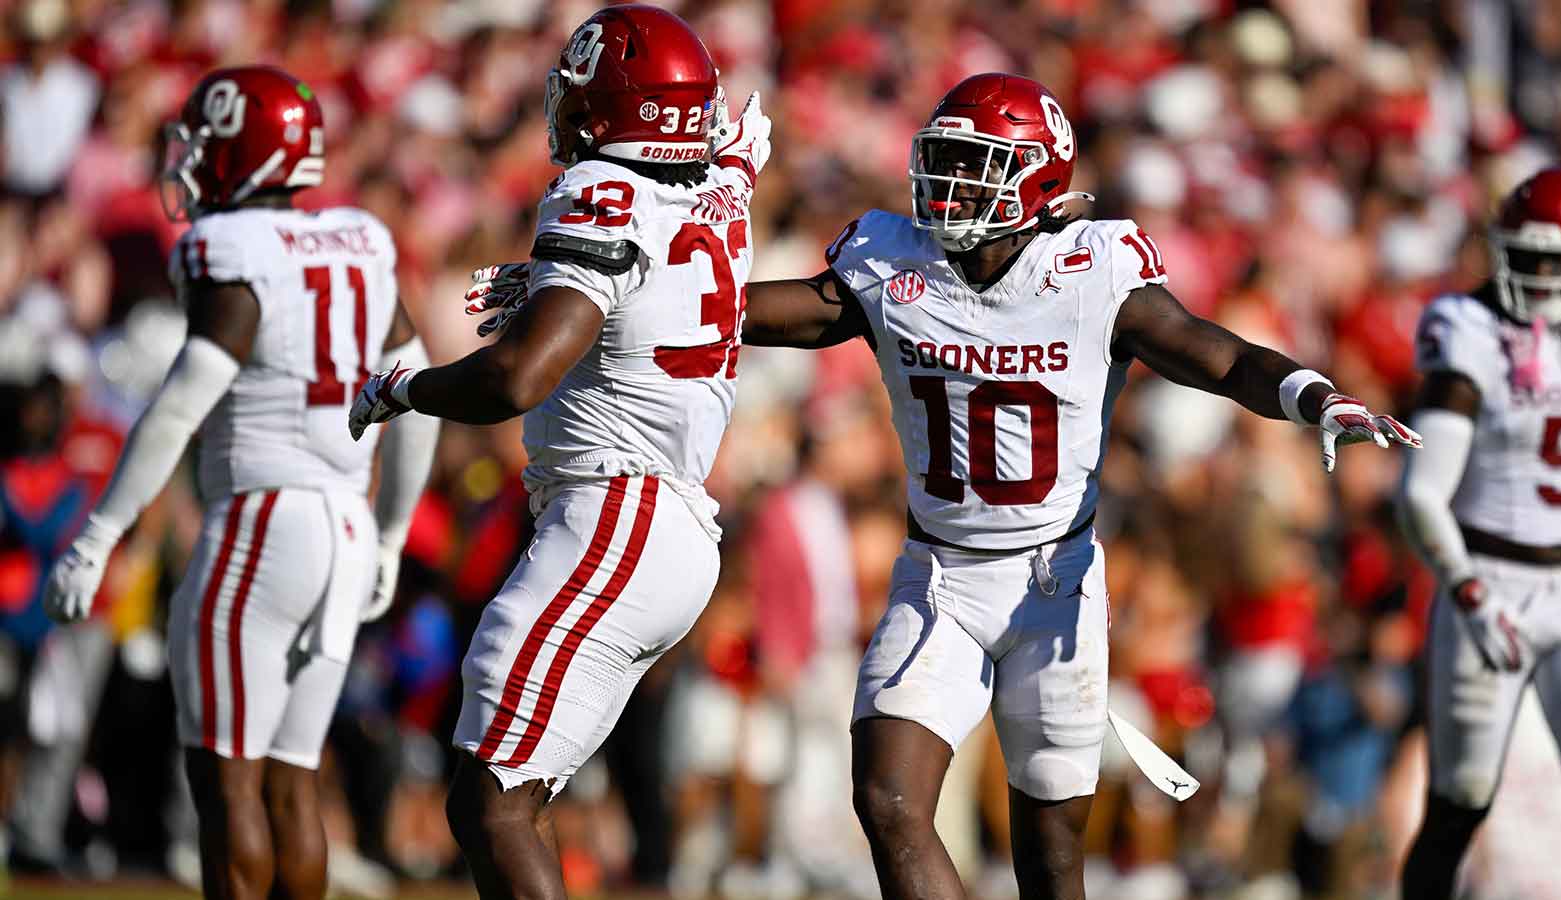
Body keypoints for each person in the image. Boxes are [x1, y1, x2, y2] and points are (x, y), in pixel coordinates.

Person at [462, 71, 1420, 899]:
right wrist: (596, 290)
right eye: (946, 159)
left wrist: (1310, 394)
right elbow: (778, 309)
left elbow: (1211, 354)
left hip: (1057, 582)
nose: (951, 183)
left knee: (1051, 854)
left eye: (979, 165)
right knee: (887, 797)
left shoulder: (1091, 270)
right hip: (941, 577)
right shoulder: (894, 261)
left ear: (1041, 181)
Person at [345, 6, 772, 898]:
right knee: (505, 790)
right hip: (660, 519)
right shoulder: (720, 188)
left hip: (617, 511)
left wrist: (403, 388)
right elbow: (709, 193)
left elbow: (517, 380)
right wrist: (554, 288)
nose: (572, 116)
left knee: (492, 799)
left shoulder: (602, 192)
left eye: (587, 100)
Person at [43, 66, 438, 900]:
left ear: (237, 155)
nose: (188, 162)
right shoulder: (361, 241)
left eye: (204, 145)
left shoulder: (230, 248)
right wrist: (394, 531)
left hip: (260, 522)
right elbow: (421, 393)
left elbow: (181, 403)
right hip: (346, 523)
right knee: (293, 783)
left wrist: (99, 533)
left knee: (228, 785)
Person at [1397, 166, 1561, 900]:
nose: (1542, 277)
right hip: (1490, 578)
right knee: (1460, 804)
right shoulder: (1469, 329)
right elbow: (1422, 492)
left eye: (1559, 260)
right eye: (1529, 256)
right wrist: (1471, 591)